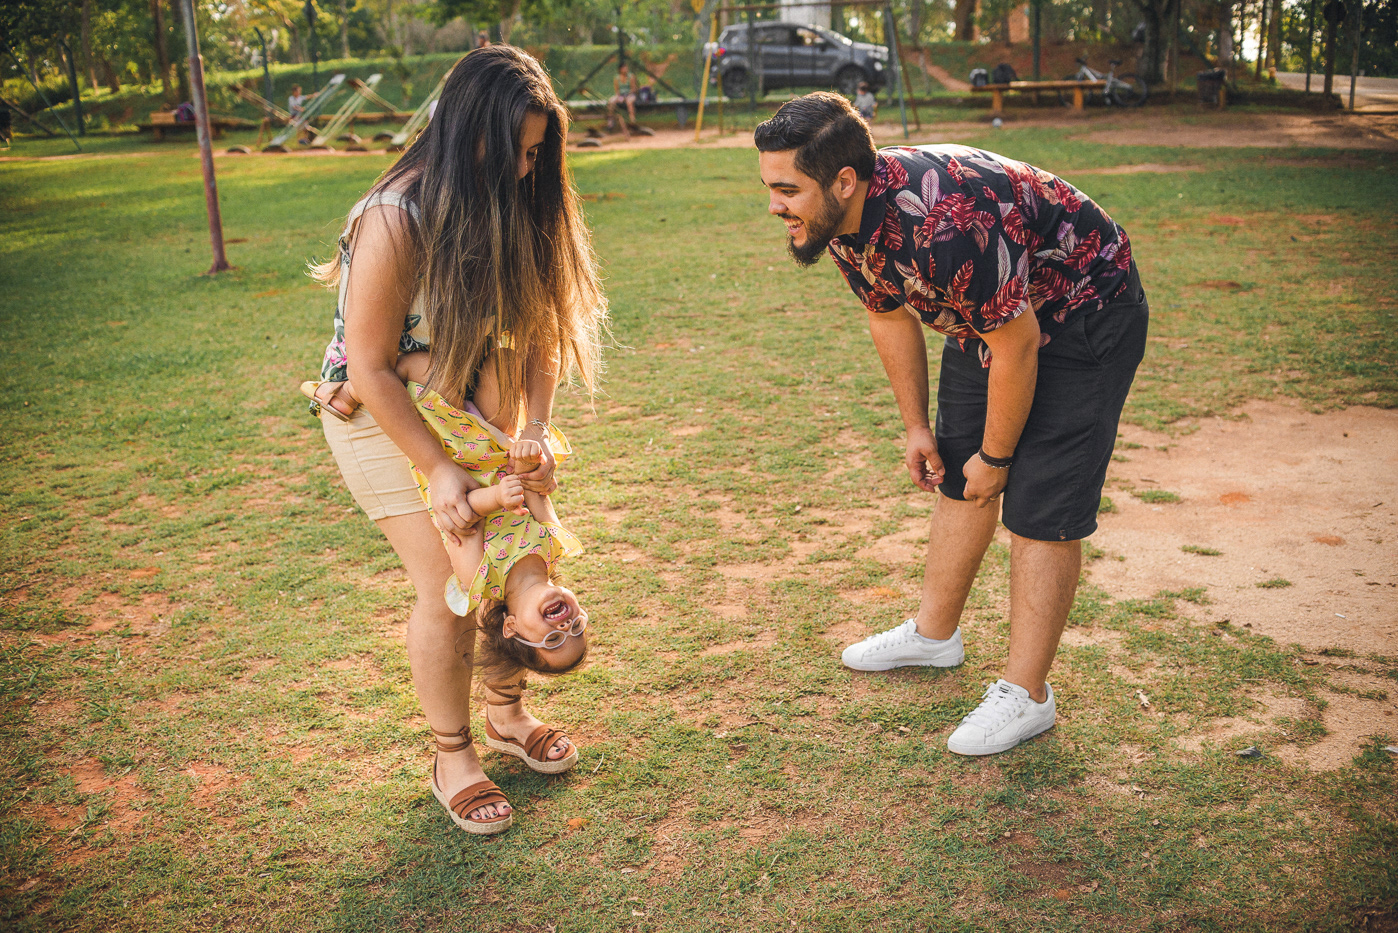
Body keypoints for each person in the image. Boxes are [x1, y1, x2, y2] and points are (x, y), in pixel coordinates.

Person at [755, 93, 1148, 757]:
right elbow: (887, 313)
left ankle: (1027, 694)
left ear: (843, 180)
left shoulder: (941, 223)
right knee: (955, 467)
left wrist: (998, 457)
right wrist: (917, 427)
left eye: (786, 189)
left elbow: (1019, 345)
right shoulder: (838, 219)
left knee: (1040, 503)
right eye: (770, 187)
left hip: (1084, 311)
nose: (774, 206)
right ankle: (934, 636)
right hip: (988, 316)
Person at [303, 46, 608, 834]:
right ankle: (452, 755)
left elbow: (541, 330)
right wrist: (438, 468)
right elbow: (371, 365)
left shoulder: (516, 198)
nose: (526, 169)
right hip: (382, 407)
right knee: (451, 576)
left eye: (536, 153)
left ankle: (506, 714)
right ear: (471, 134)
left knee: (518, 559)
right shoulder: (396, 215)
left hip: (467, 406)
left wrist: (533, 430)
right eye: (517, 151)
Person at [608, 62, 638, 136]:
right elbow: (617, 90)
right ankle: (610, 120)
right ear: (620, 69)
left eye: (626, 68)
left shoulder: (631, 76)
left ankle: (632, 120)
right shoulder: (617, 78)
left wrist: (627, 95)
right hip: (621, 95)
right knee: (611, 101)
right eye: (624, 68)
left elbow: (633, 88)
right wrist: (619, 96)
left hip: (630, 95)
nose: (625, 69)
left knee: (629, 102)